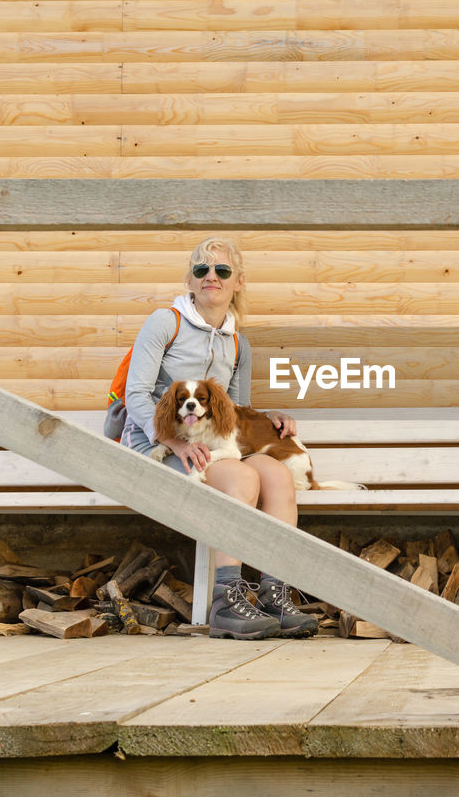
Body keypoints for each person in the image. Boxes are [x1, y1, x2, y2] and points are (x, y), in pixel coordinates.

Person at [120, 237, 317, 640]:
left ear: (237, 282)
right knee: (243, 479)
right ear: (190, 281)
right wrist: (174, 443)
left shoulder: (238, 343)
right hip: (157, 444)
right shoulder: (165, 323)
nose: (211, 277)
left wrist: (268, 416)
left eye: (221, 271)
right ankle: (227, 601)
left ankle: (274, 593)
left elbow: (237, 410)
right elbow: (135, 394)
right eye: (201, 270)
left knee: (276, 475)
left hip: (215, 445)